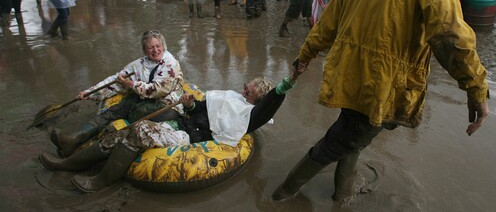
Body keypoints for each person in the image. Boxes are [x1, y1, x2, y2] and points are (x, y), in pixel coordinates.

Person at [271, 0, 489, 202]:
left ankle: (341, 195)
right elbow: (450, 36)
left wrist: (306, 54)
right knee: (340, 141)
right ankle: (281, 195)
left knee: (354, 137)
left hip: (351, 72)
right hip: (385, 80)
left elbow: (329, 19)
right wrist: (476, 87)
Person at [39, 69, 304, 193]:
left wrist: (287, 82)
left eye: (250, 93)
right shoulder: (230, 97)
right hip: (179, 125)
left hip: (190, 139)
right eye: (247, 88)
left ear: (258, 100)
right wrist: (190, 104)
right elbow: (199, 106)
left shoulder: (252, 115)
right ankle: (69, 163)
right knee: (122, 132)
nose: (244, 92)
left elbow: (271, 105)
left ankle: (101, 182)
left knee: (140, 132)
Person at [48, 30, 185, 158]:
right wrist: (89, 93)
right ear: (144, 49)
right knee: (113, 111)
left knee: (124, 112)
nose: (155, 50)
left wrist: (131, 84)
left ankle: (90, 146)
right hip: (145, 101)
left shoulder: (170, 64)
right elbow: (115, 81)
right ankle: (73, 139)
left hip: (167, 105)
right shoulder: (139, 65)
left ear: (163, 46)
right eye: (151, 47)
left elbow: (155, 90)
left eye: (158, 46)